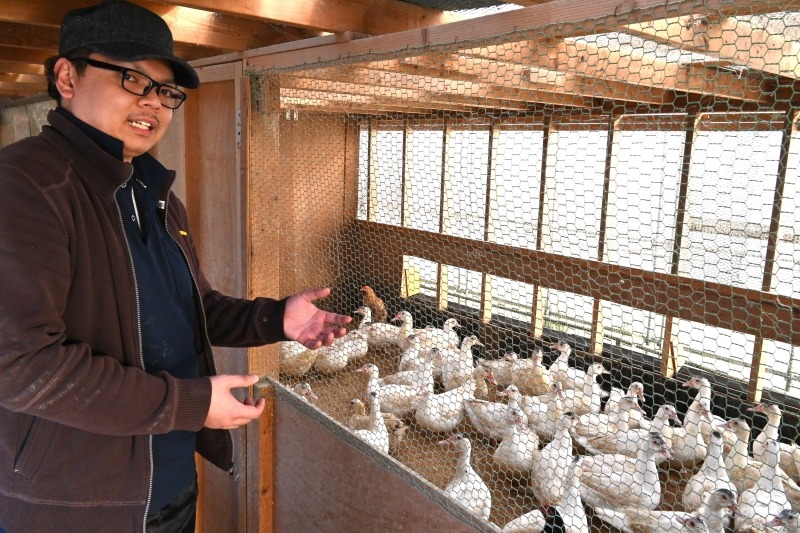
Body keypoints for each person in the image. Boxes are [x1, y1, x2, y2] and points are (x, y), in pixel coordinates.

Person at [0, 1, 351, 531]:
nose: (154, 103)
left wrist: (275, 319)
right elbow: (19, 365)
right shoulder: (23, 186)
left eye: (166, 91)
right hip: (74, 503)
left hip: (168, 485)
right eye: (132, 78)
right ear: (66, 77)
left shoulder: (152, 191)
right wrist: (188, 405)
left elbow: (192, 307)